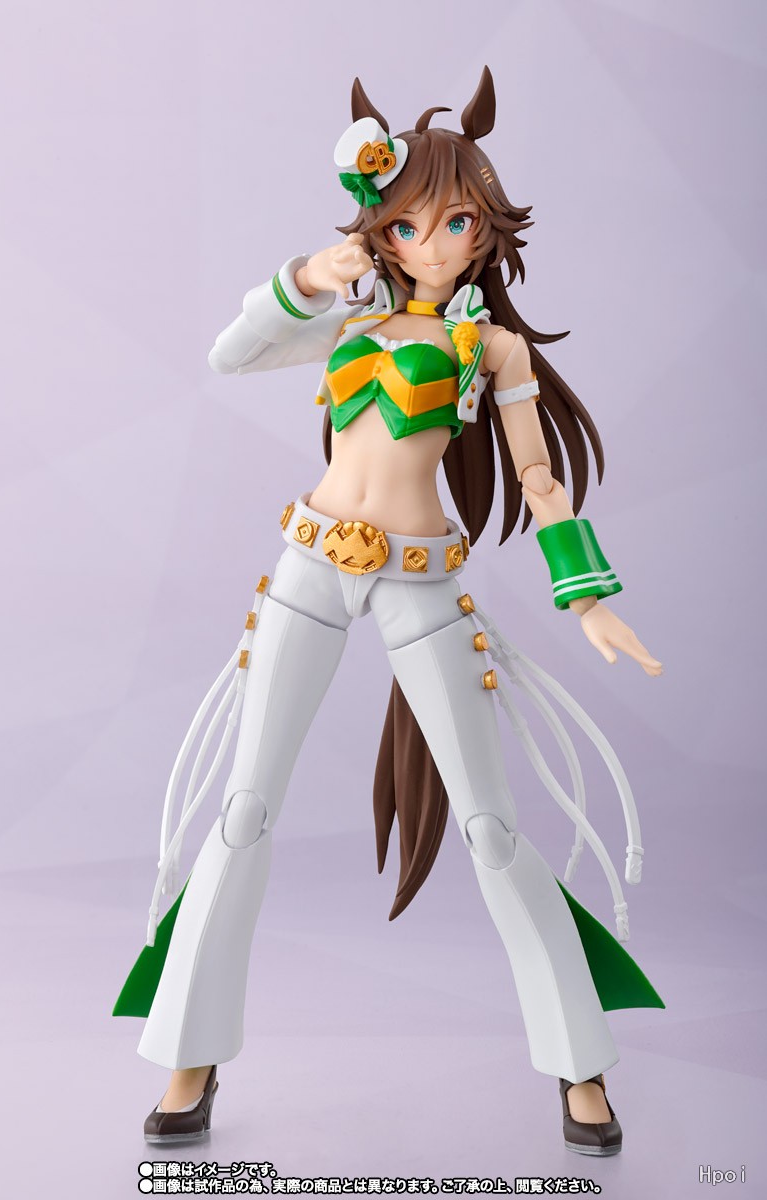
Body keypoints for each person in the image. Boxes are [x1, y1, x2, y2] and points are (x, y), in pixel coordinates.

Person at [114, 67, 664, 1157]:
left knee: (490, 825)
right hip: (309, 564)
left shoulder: (490, 349)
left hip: (419, 579)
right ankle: (191, 1054)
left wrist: (588, 597)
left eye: (455, 222)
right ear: (380, 227)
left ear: (483, 229)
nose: (433, 241)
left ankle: (580, 1064)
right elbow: (229, 354)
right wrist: (303, 279)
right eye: (407, 223)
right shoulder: (350, 321)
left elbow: (538, 478)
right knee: (243, 809)